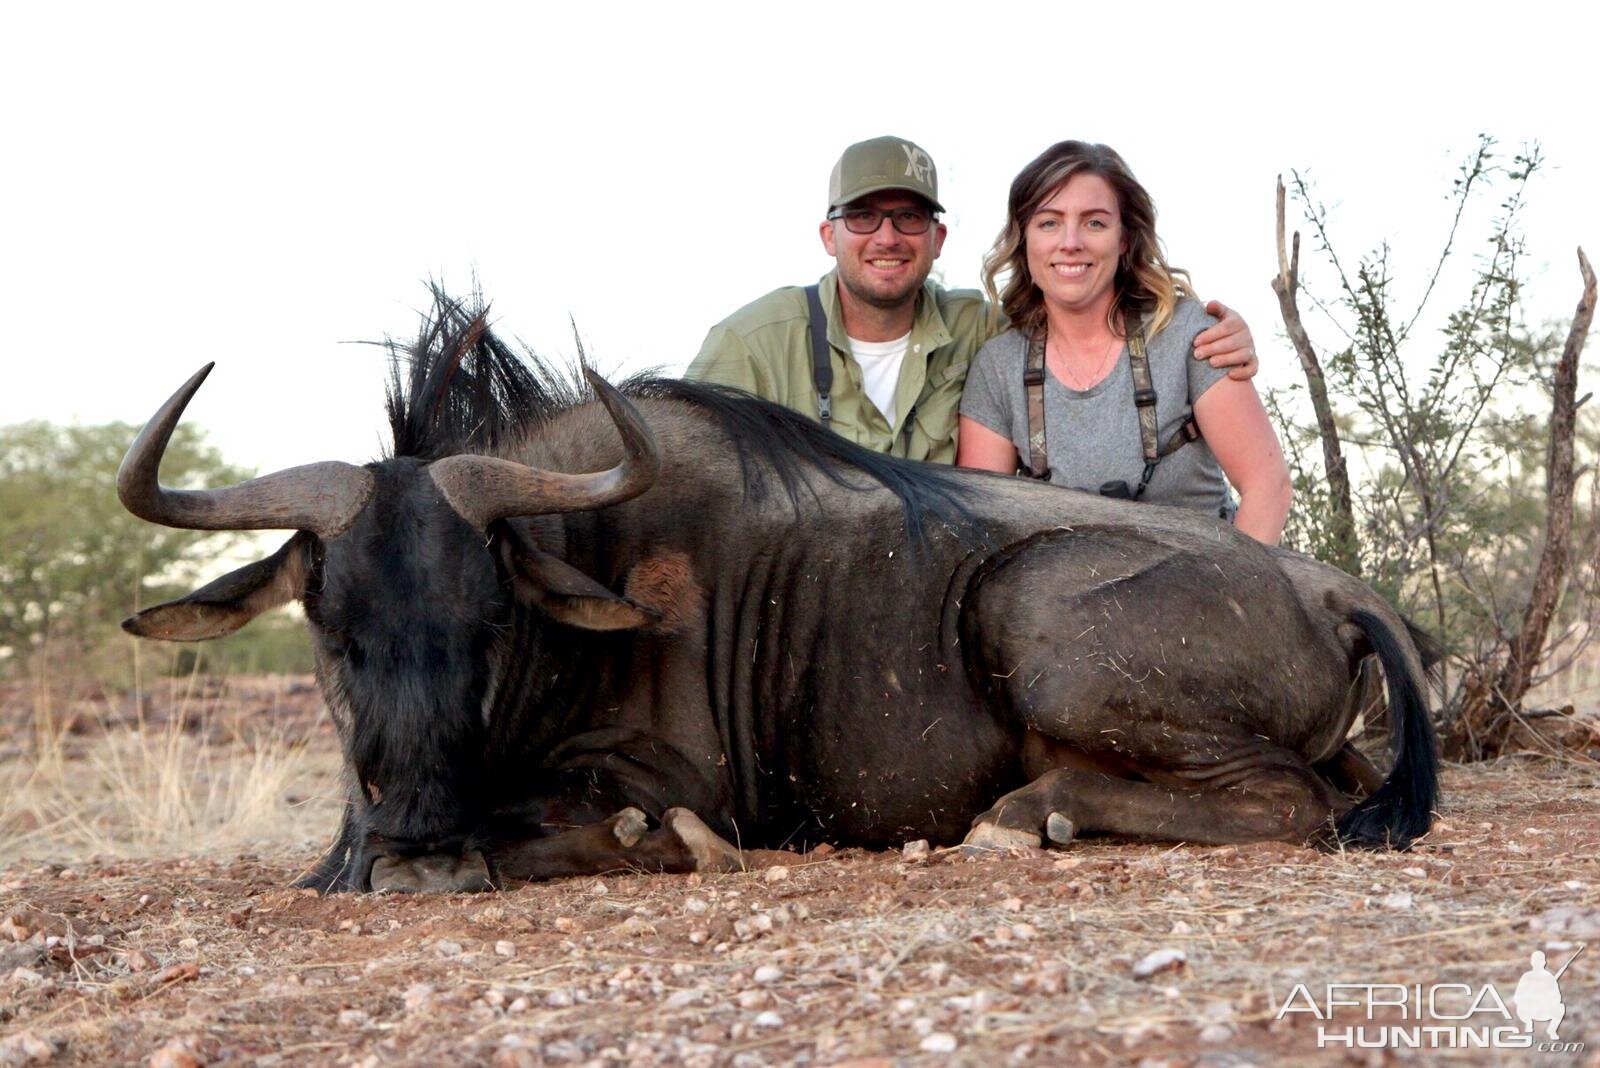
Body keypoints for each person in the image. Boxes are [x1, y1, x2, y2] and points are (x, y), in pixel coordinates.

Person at [685, 136, 1259, 464]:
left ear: (937, 239)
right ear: (828, 234)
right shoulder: (750, 346)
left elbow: (1079, 309)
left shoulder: (986, 333)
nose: (886, 237)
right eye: (862, 216)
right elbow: (680, 479)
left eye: (908, 216)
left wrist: (1216, 331)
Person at [957, 141, 1292, 544]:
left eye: (1095, 223)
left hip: (1207, 588)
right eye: (1048, 222)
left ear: (1124, 240)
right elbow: (982, 527)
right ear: (1023, 239)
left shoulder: (1188, 333)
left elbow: (1267, 486)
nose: (1071, 242)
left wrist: (1237, 600)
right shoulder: (998, 366)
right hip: (1059, 599)